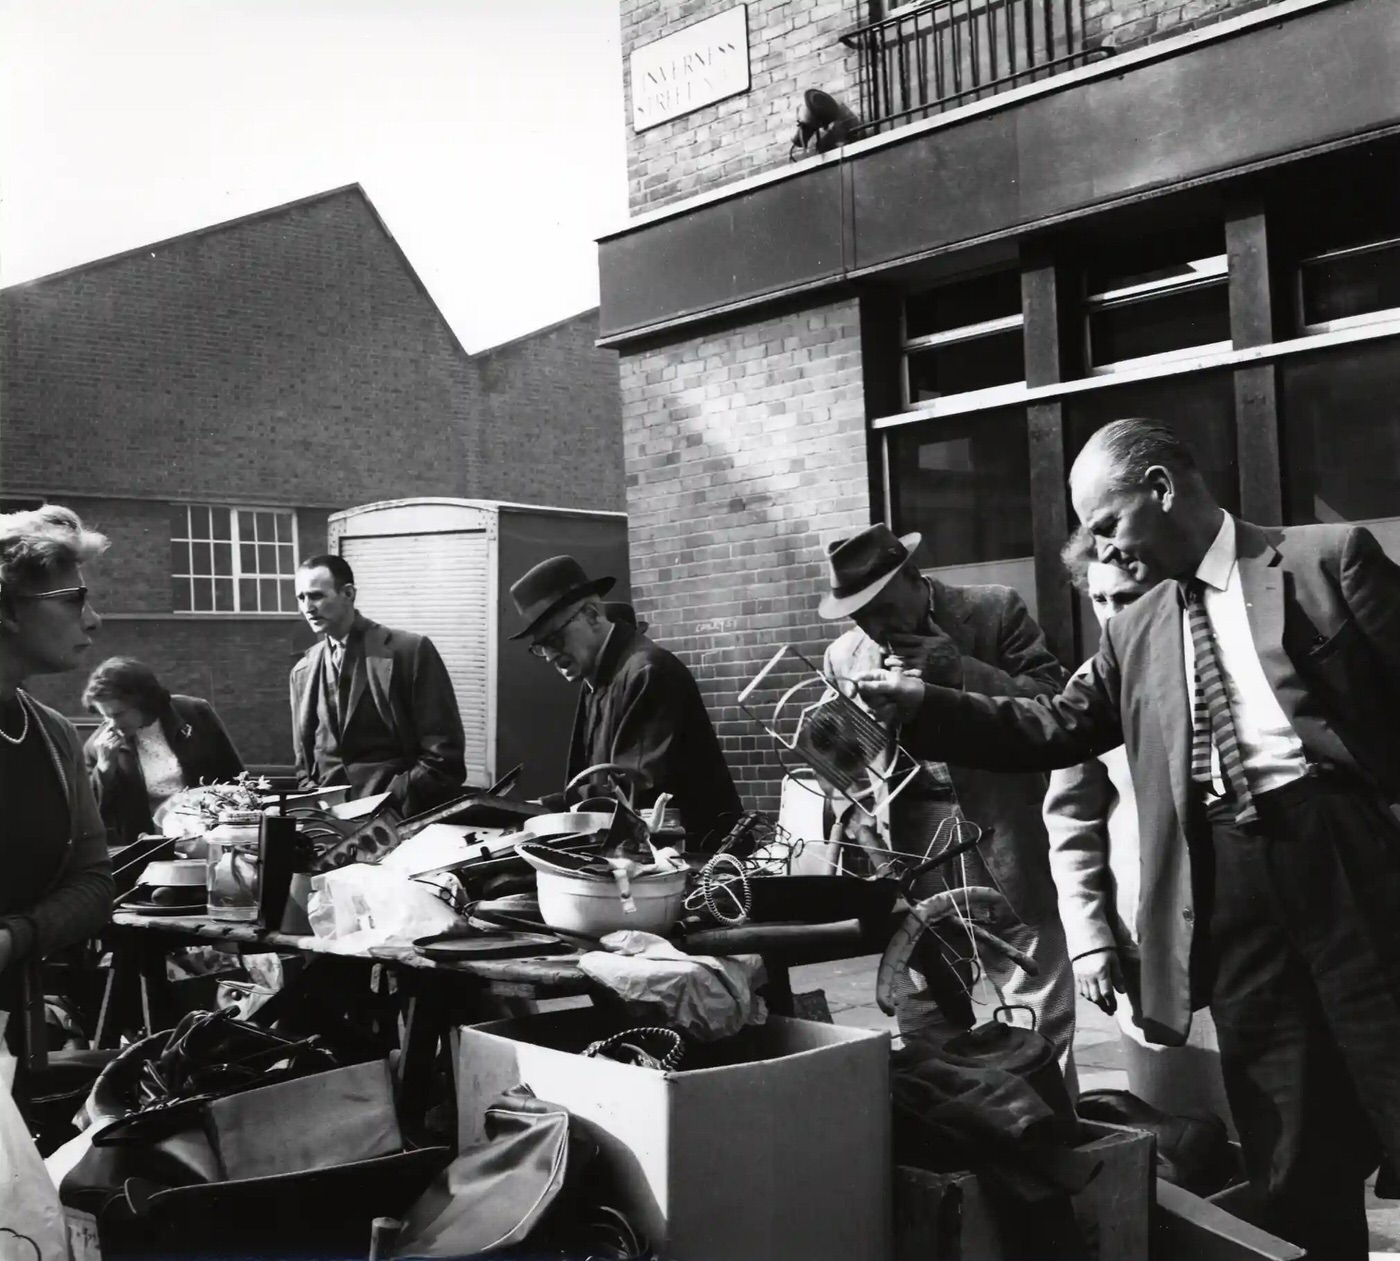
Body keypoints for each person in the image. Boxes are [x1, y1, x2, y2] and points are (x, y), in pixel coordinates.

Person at [858, 418, 1400, 1261]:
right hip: (1232, 892)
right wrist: (929, 705)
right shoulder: (1134, 627)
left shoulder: (1328, 557)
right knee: (1289, 1140)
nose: (1103, 550)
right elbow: (1051, 725)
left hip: (1353, 865)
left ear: (1161, 487)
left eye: (1106, 524)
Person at [818, 523, 1075, 1065]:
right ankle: (964, 1127)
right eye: (863, 618)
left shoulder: (992, 611)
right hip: (912, 844)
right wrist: (859, 820)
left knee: (1037, 998)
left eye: (886, 611)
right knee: (928, 1009)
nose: (879, 630)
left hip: (1001, 827)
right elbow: (838, 766)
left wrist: (959, 670)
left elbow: (1054, 703)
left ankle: (1053, 1128)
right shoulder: (845, 656)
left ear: (914, 578)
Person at [508, 555, 741, 849]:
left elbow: (635, 793)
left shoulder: (649, 672)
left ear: (592, 614)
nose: (551, 656)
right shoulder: (596, 679)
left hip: (699, 865)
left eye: (555, 639)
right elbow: (592, 785)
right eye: (540, 647)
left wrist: (546, 809)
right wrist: (536, 809)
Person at [0, 506, 115, 1049]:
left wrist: (16, 937)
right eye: (73, 601)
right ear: (8, 610)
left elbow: (94, 882)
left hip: (13, 1037)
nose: (93, 620)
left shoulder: (54, 735)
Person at [290, 554, 465, 817]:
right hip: (331, 826)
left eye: (316, 596)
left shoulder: (409, 652)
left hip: (401, 818)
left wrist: (397, 799)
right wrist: (321, 811)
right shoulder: (302, 671)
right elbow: (304, 766)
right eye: (301, 598)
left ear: (348, 593)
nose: (307, 607)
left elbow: (443, 756)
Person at [82, 657, 245, 846]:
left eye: (118, 714)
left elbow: (233, 775)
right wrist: (104, 770)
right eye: (105, 716)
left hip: (213, 838)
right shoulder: (97, 747)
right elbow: (90, 817)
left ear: (143, 702)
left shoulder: (194, 713)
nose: (112, 725)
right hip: (150, 847)